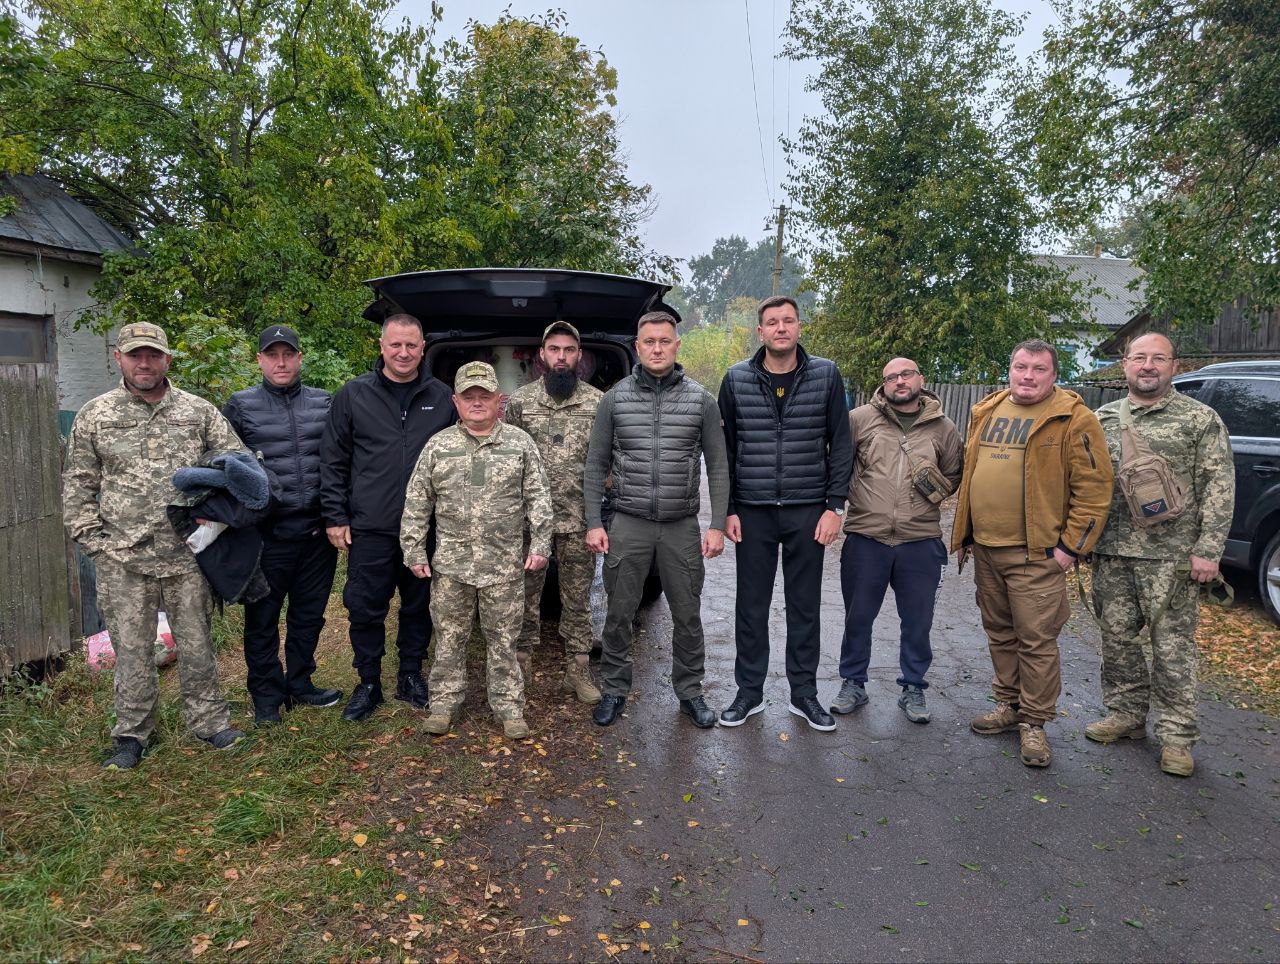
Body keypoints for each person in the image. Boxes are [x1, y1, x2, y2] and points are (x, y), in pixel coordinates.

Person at [63, 322, 247, 769]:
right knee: (132, 650)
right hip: (123, 557)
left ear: (167, 359)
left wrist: (216, 516)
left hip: (187, 554)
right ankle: (131, 734)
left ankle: (209, 722)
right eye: (135, 355)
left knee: (198, 643)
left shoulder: (196, 411)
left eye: (153, 355)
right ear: (119, 358)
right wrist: (94, 543)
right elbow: (78, 484)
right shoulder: (97, 414)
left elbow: (238, 464)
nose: (144, 363)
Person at [951, 339, 1113, 767]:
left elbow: (1095, 493)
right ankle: (1009, 706)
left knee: (1036, 641)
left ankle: (1035, 724)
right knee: (1000, 634)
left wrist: (1069, 550)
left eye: (1038, 369)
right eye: (1021, 366)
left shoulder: (1074, 419)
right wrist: (966, 531)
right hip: (986, 548)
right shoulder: (988, 410)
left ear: (1054, 374)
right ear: (1010, 368)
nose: (1028, 376)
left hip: (1037, 554)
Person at [1086, 333, 1234, 777]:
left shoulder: (1198, 418)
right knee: (1117, 641)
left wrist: (1208, 550)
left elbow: (1219, 487)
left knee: (1172, 648)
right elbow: (1085, 484)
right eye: (1139, 358)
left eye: (1158, 359)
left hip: (1173, 559)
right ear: (1124, 364)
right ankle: (1127, 715)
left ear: (1174, 366)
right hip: (1112, 552)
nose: (1147, 366)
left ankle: (1177, 736)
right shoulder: (1103, 419)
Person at [583, 310, 730, 728]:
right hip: (628, 522)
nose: (658, 348)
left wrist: (717, 524)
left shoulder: (701, 400)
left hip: (680, 525)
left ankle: (690, 692)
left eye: (665, 341)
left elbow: (719, 466)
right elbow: (595, 465)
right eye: (650, 341)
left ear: (677, 345)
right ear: (638, 346)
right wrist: (595, 521)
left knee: (687, 614)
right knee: (619, 613)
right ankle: (614, 689)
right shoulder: (615, 399)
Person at [716, 295, 854, 731]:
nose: (780, 328)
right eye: (772, 322)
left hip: (807, 511)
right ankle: (749, 693)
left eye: (788, 321)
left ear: (799, 327)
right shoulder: (736, 379)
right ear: (759, 332)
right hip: (753, 513)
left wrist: (834, 506)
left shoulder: (825, 375)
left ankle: (804, 695)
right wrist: (729, 510)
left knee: (804, 607)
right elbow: (725, 453)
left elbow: (841, 444)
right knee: (751, 607)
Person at [401, 362, 553, 738]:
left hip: (504, 567)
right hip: (453, 567)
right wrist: (414, 550)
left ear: (499, 399)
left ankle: (509, 707)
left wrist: (541, 545)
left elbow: (539, 498)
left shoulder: (519, 443)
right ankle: (443, 704)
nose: (477, 402)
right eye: (469, 396)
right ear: (456, 401)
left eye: (484, 394)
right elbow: (418, 501)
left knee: (504, 641)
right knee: (449, 639)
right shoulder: (439, 446)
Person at [319, 314, 455, 721]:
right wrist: (335, 515)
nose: (403, 352)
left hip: (425, 530)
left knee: (418, 606)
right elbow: (333, 460)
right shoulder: (353, 395)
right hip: (370, 528)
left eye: (411, 345)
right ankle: (369, 682)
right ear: (381, 347)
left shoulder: (443, 397)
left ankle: (411, 675)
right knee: (365, 607)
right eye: (395, 344)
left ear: (423, 348)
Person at [222, 325, 342, 726]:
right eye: (272, 355)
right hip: (265, 537)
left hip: (315, 535)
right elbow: (223, 465)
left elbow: (340, 460)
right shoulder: (240, 406)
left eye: (288, 354)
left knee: (309, 616)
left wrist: (336, 515)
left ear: (299, 357)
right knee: (262, 620)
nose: (281, 362)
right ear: (259, 360)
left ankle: (301, 683)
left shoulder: (324, 403)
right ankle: (267, 697)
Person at [831, 358, 962, 724]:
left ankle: (914, 688)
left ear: (920, 379)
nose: (899, 382)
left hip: (920, 540)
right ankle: (853, 684)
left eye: (906, 375)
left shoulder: (944, 428)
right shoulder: (859, 420)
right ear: (883, 384)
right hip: (865, 538)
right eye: (891, 377)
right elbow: (839, 463)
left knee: (918, 621)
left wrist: (931, 492)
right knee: (858, 618)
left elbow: (954, 473)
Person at [503, 321, 604, 703]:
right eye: (554, 349)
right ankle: (521, 668)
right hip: (530, 524)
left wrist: (599, 513)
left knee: (577, 600)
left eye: (569, 350)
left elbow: (608, 461)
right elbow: (508, 461)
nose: (561, 357)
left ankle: (577, 670)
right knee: (525, 597)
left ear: (579, 356)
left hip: (579, 521)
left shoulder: (597, 403)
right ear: (542, 355)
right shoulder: (521, 403)